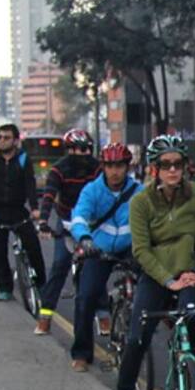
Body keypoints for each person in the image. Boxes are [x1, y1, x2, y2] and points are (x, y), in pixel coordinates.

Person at [110, 135, 195, 390]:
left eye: (178, 164)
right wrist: (168, 280)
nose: (173, 170)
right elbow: (141, 250)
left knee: (191, 313)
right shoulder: (140, 202)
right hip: (157, 277)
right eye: (165, 165)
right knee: (136, 339)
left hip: (192, 274)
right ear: (153, 169)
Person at [66, 143, 141, 372]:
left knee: (156, 287)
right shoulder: (92, 190)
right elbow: (79, 217)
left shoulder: (140, 191)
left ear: (127, 167)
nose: (114, 171)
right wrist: (85, 239)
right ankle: (81, 353)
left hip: (132, 248)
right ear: (103, 167)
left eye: (119, 165)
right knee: (85, 297)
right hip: (99, 250)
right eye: (109, 165)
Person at [35, 129, 99, 335]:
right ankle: (45, 317)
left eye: (85, 149)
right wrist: (44, 221)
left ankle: (105, 315)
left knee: (98, 265)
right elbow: (49, 196)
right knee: (59, 265)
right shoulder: (59, 169)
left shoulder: (97, 168)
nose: (80, 154)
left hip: (91, 222)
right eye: (75, 149)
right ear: (68, 150)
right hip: (67, 221)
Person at [0, 123, 46, 301]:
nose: (2, 141)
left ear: (15, 140)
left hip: (18, 211)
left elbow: (30, 185)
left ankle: (41, 284)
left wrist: (35, 208)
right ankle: (5, 289)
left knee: (33, 247)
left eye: (6, 138)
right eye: (0, 137)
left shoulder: (23, 159)